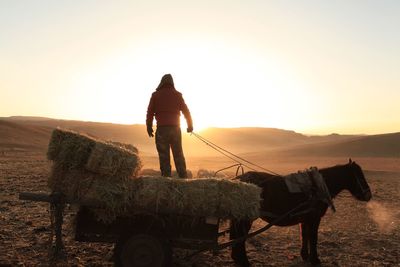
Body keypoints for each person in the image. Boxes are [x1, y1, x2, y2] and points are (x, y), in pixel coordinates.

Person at [146, 74, 193, 178]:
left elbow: (149, 112)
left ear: (162, 82)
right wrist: (190, 125)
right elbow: (186, 111)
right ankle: (183, 178)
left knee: (164, 157)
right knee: (178, 155)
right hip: (175, 129)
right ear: (172, 83)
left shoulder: (155, 95)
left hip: (162, 130)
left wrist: (149, 127)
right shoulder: (177, 95)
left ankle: (166, 179)